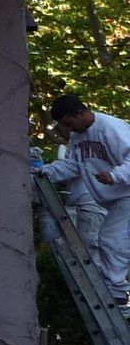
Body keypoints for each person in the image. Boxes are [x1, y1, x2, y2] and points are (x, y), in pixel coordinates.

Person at [40, 93, 130, 306]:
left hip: (126, 194)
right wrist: (46, 172)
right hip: (114, 199)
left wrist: (115, 175)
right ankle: (117, 288)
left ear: (80, 113)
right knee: (116, 240)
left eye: (69, 123)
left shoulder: (111, 127)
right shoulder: (78, 137)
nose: (67, 129)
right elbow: (74, 165)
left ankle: (116, 291)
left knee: (110, 238)